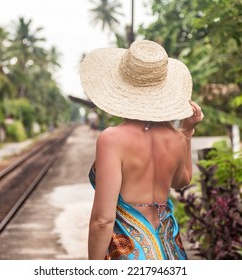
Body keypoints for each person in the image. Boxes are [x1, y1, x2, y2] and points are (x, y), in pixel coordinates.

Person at [80, 40, 204, 260]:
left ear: (121, 89)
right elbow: (182, 180)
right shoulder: (176, 138)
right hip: (170, 249)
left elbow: (103, 221)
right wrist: (188, 132)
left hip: (129, 253)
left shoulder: (112, 139)